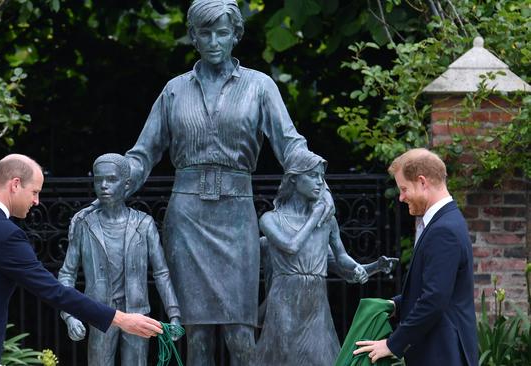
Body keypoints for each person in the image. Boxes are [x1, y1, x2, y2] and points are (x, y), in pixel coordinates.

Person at [124, 1, 333, 364]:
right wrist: (115, 181)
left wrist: (320, 184)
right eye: (205, 33)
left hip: (237, 216)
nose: (214, 41)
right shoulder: (174, 90)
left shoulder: (260, 86)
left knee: (241, 333)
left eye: (223, 32)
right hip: (187, 218)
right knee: (197, 334)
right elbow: (143, 154)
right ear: (192, 36)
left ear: (236, 35)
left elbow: (290, 145)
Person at [0, 154, 163, 366]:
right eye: (34, 192)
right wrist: (120, 319)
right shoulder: (6, 235)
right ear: (15, 184)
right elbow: (54, 291)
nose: (36, 201)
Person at [255, 150, 396, 365]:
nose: (320, 182)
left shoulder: (327, 222)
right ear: (293, 179)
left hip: (316, 302)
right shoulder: (271, 219)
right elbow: (291, 246)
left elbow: (341, 259)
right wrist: (315, 216)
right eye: (312, 175)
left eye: (322, 177)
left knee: (321, 356)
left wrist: (371, 267)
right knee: (282, 355)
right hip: (284, 299)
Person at [353, 148, 478, 365]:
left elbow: (434, 300)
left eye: (403, 189)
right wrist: (395, 305)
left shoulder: (443, 229)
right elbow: (436, 289)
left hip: (442, 354)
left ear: (422, 182)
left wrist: (392, 344)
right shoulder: (444, 221)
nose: (401, 197)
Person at [57, 153, 181, 366]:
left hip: (137, 312)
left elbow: (161, 273)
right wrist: (69, 315)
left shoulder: (144, 224)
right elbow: (67, 274)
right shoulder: (84, 225)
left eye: (112, 179)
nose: (104, 185)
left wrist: (174, 314)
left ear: (127, 184)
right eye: (98, 180)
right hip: (99, 313)